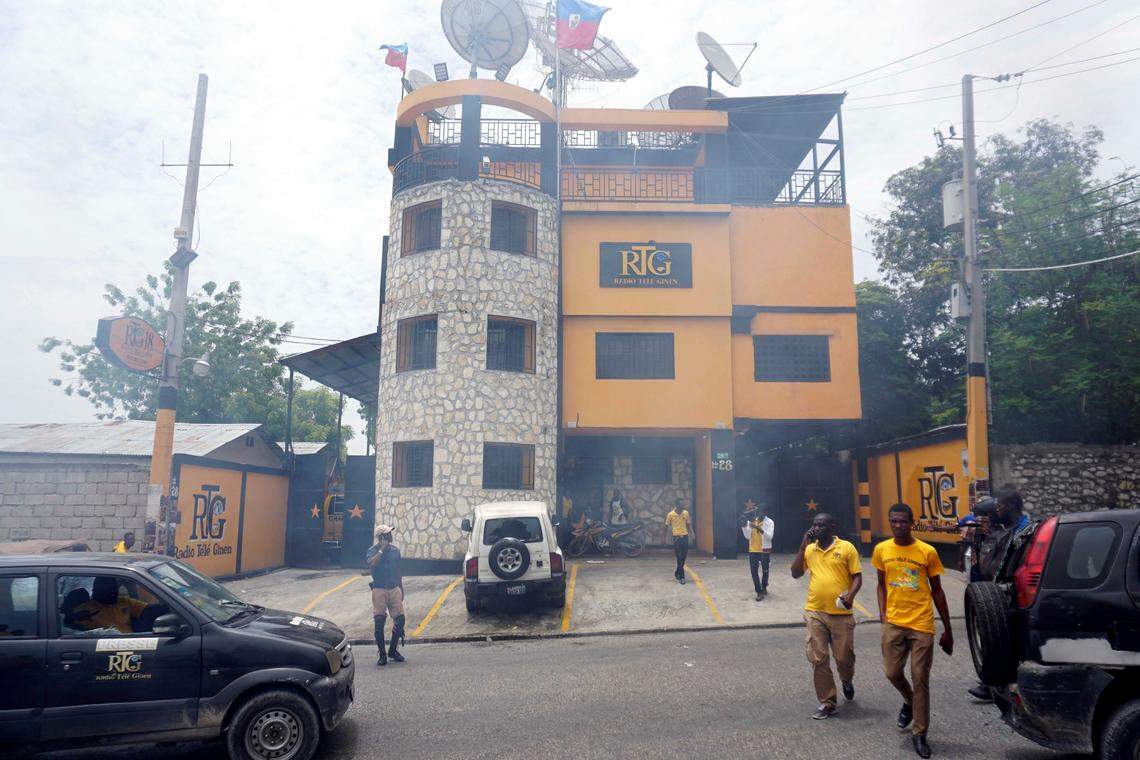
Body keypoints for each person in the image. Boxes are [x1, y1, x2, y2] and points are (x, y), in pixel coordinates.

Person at [873, 503, 954, 758]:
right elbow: (881, 585)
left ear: (912, 523)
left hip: (921, 624)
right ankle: (909, 701)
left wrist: (948, 630)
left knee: (920, 678)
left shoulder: (927, 551)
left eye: (902, 521)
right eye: (893, 521)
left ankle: (919, 733)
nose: (898, 526)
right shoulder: (881, 550)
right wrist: (883, 613)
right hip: (894, 622)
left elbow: (937, 591)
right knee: (891, 672)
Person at [791, 512, 863, 720]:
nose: (816, 528)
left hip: (841, 612)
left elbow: (857, 577)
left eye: (821, 525)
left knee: (844, 658)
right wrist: (803, 545)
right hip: (815, 611)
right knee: (818, 657)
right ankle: (827, 702)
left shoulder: (846, 548)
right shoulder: (810, 550)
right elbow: (795, 573)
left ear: (832, 527)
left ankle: (847, 680)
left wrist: (851, 595)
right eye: (814, 524)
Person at [366, 525, 406, 666]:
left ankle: (392, 650)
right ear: (381, 537)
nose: (391, 536)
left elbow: (398, 570)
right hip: (379, 589)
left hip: (393, 587)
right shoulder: (372, 551)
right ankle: (382, 654)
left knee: (400, 620)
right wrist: (382, 549)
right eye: (388, 534)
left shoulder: (395, 551)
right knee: (379, 622)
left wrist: (401, 588)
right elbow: (371, 564)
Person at [71, 576, 149, 633]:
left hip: (132, 643)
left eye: (115, 589)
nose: (115, 593)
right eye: (110, 590)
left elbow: (149, 610)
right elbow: (81, 634)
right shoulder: (83, 611)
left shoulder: (124, 602)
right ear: (97, 591)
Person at [743, 505, 775, 600]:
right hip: (753, 550)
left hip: (764, 550)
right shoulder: (753, 521)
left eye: (761, 511)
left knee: (765, 570)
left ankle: (764, 586)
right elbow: (747, 536)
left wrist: (758, 528)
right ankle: (759, 591)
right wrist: (744, 526)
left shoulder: (770, 522)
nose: (758, 513)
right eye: (757, 511)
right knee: (754, 572)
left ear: (765, 512)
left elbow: (769, 537)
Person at [664, 499, 691, 584]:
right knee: (679, 557)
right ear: (676, 505)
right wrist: (664, 538)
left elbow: (688, 524)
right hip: (676, 538)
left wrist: (693, 533)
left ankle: (677, 571)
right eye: (681, 505)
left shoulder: (686, 513)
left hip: (685, 537)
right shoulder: (670, 515)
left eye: (683, 505)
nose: (683, 507)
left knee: (684, 556)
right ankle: (682, 577)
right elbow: (666, 526)